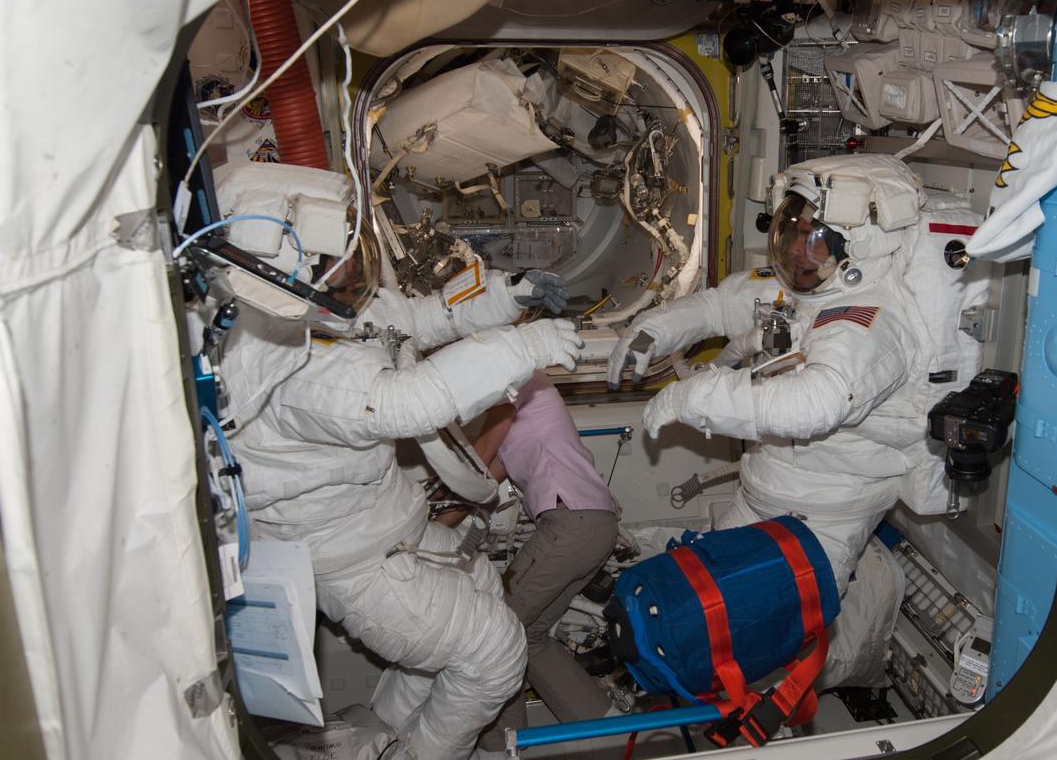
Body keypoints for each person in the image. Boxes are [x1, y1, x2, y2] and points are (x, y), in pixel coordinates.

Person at [212, 162, 583, 760]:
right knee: (495, 653)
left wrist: (505, 295)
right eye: (342, 256)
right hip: (353, 560)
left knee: (483, 589)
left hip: (389, 524)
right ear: (291, 266)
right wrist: (522, 345)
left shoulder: (324, 312)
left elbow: (418, 317)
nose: (357, 267)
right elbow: (402, 403)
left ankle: (380, 735)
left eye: (356, 248)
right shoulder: (284, 366)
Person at [606, 155, 927, 593]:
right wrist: (650, 333)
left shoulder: (868, 323)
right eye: (794, 233)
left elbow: (817, 403)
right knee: (696, 600)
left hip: (821, 520)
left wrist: (692, 399)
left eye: (813, 239)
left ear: (859, 247)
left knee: (758, 636)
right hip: (762, 491)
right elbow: (717, 306)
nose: (797, 250)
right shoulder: (803, 290)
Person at [448, 372, 619, 754]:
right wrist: (429, 525)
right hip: (594, 525)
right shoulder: (515, 410)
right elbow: (480, 486)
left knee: (497, 630)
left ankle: (501, 748)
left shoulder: (516, 381)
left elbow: (472, 465)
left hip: (569, 523)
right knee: (530, 635)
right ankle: (605, 729)